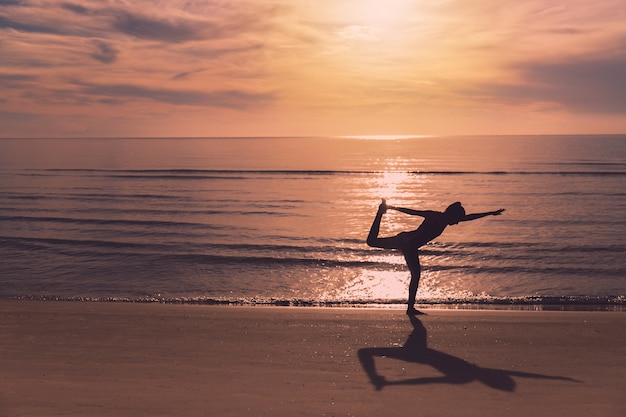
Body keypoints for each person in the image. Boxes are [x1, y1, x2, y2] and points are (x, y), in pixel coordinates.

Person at [367, 199, 505, 315]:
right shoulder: (434, 216)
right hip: (405, 241)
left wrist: (490, 213)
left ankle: (410, 308)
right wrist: (392, 208)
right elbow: (413, 212)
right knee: (372, 242)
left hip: (410, 246)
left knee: (416, 275)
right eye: (456, 219)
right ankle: (380, 211)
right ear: (452, 215)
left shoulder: (445, 221)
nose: (457, 223)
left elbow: (470, 217)